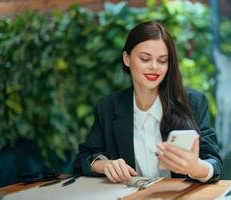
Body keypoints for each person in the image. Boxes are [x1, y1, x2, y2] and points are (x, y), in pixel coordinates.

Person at [73, 21, 222, 183]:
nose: (154, 67)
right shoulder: (108, 107)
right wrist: (104, 165)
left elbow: (214, 162)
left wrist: (195, 167)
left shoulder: (193, 102)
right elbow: (83, 159)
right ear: (126, 59)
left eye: (163, 60)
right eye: (145, 59)